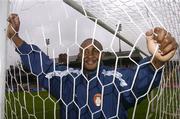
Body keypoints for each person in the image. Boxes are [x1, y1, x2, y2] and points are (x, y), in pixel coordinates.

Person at [7, 14, 178, 119]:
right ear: (79, 55)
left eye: (95, 51)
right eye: (85, 52)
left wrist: (157, 59)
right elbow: (43, 66)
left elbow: (139, 80)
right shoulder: (66, 78)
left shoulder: (115, 77)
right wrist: (15, 37)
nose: (90, 55)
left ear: (102, 55)